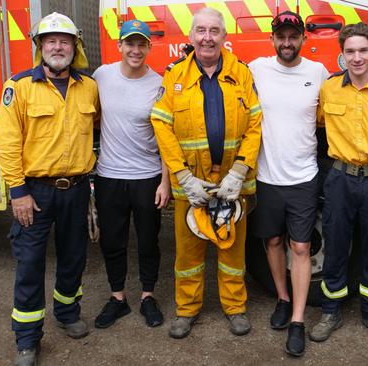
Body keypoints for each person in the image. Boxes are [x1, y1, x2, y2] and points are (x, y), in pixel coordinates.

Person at [150, 7, 262, 339]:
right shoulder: (175, 77)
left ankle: (235, 307)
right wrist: (181, 176)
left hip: (231, 183)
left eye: (214, 31)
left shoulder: (242, 74)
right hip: (191, 184)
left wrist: (239, 171)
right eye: (201, 30)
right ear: (190, 36)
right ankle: (186, 310)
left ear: (225, 37)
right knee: (188, 253)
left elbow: (255, 125)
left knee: (232, 250)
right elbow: (161, 125)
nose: (207, 37)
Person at [0, 12, 98, 366]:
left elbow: (96, 127)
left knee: (74, 257)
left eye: (64, 41)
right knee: (30, 263)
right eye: (50, 41)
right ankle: (27, 337)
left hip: (77, 188)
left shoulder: (89, 87)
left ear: (75, 47)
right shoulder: (19, 87)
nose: (58, 46)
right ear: (40, 47)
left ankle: (68, 313)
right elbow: (7, 143)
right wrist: (18, 192)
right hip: (34, 193)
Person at [308, 22, 368, 344]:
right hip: (340, 179)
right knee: (335, 245)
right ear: (342, 55)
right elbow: (320, 125)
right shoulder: (330, 88)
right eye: (350, 51)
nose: (357, 57)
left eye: (363, 50)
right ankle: (330, 312)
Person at [248, 10, 329, 357]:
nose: (286, 42)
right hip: (267, 177)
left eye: (292, 37)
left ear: (303, 40)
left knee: (300, 247)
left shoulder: (318, 73)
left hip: (303, 177)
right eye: (280, 36)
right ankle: (282, 298)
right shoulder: (256, 69)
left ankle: (297, 320)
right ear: (272, 40)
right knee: (273, 241)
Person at [92, 20, 170, 330]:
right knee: (113, 240)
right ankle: (118, 298)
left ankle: (148, 296)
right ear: (120, 46)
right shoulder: (102, 76)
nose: (135, 50)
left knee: (149, 241)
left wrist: (165, 181)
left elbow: (165, 136)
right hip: (110, 176)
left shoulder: (158, 84)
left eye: (141, 44)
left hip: (148, 177)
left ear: (150, 47)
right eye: (130, 44)